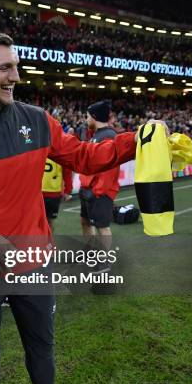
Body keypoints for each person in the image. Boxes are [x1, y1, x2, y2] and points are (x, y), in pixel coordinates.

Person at [0, 33, 138, 384]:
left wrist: (139, 140)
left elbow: (86, 157)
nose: (16, 77)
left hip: (34, 260)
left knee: (42, 348)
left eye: (16, 67)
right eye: (5, 68)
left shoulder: (37, 120)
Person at [79, 100, 120, 266]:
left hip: (99, 191)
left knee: (102, 226)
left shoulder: (108, 136)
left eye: (87, 116)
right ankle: (89, 253)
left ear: (94, 116)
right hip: (88, 188)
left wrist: (98, 190)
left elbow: (110, 169)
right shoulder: (97, 135)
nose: (86, 119)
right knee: (85, 221)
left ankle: (105, 260)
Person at [42, 158, 73, 233]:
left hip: (53, 193)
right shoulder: (36, 151)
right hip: (37, 193)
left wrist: (68, 190)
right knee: (36, 221)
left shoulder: (60, 153)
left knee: (50, 221)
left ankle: (49, 243)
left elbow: (67, 171)